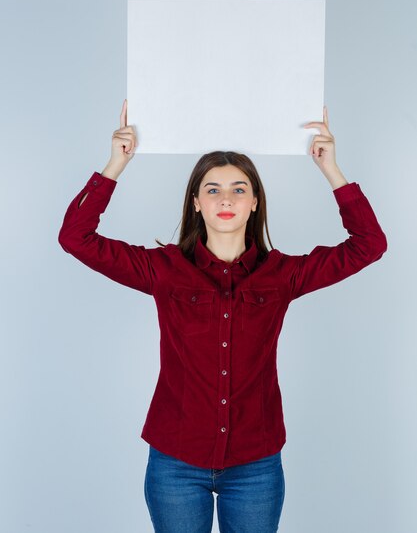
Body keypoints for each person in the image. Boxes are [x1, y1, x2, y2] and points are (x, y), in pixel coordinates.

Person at [58, 99, 388, 533]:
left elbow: (370, 244)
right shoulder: (163, 269)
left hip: (256, 465)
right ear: (196, 203)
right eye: (212, 189)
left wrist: (332, 170)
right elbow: (75, 237)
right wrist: (114, 165)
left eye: (239, 189)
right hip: (176, 461)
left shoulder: (282, 275)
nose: (226, 198)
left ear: (255, 203)